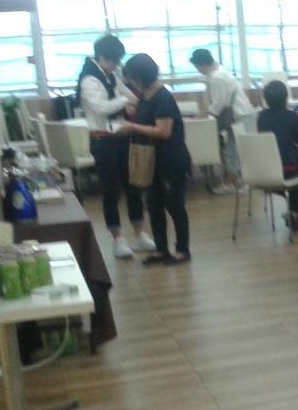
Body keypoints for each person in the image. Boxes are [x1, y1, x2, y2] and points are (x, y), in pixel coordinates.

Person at [76, 34, 155, 259]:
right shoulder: (89, 79)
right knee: (111, 190)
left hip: (121, 136)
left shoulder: (110, 75)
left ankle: (140, 233)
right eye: (113, 61)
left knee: (133, 186)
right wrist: (125, 101)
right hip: (103, 140)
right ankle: (118, 238)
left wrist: (134, 100)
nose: (116, 65)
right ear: (101, 57)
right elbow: (101, 108)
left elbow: (127, 94)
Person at [120, 54, 191, 265]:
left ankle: (182, 249)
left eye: (133, 79)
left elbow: (163, 131)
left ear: (141, 77)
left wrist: (132, 127)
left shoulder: (162, 97)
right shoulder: (145, 96)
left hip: (171, 160)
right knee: (154, 205)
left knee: (174, 205)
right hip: (153, 160)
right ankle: (161, 249)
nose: (131, 83)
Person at [189, 48, 255, 193]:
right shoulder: (219, 73)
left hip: (240, 116)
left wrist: (200, 116)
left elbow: (217, 106)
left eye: (197, 67)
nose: (198, 70)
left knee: (232, 151)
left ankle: (232, 183)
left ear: (201, 65)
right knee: (234, 151)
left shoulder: (217, 77)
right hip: (242, 115)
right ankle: (237, 182)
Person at [257, 80, 298, 231]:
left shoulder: (261, 117)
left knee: (297, 164)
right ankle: (297, 211)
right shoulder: (291, 116)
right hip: (287, 169)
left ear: (266, 99)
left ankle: (295, 212)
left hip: (266, 168)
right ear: (286, 98)